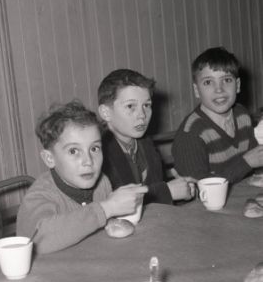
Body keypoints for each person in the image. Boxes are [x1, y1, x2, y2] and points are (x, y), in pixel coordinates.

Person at [16, 100, 148, 254]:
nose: (88, 161)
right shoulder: (38, 197)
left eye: (94, 148)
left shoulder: (102, 183)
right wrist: (107, 208)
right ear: (49, 158)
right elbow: (39, 241)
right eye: (74, 151)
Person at [97, 69, 196, 204]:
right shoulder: (98, 152)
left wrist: (183, 188)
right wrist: (167, 191)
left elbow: (156, 188)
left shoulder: (145, 143)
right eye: (130, 106)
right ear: (106, 112)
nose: (142, 115)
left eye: (146, 105)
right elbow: (114, 203)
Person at [172, 46, 263, 183]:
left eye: (227, 80)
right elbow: (198, 187)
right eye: (208, 82)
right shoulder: (191, 134)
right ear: (196, 90)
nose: (219, 89)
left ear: (238, 85)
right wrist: (246, 163)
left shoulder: (242, 115)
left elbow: (256, 163)